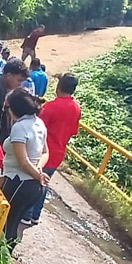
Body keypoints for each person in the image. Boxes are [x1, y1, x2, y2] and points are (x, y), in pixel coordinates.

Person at [23, 73, 82, 225]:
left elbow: (36, 128)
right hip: (59, 152)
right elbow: (74, 131)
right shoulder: (76, 108)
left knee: (34, 181)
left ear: (59, 86)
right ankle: (35, 214)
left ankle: (27, 214)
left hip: (42, 151)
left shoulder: (51, 107)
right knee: (43, 181)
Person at [1, 88, 50, 249]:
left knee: (5, 225)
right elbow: (45, 153)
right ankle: (5, 260)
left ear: (15, 108)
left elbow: (23, 161)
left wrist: (37, 174)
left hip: (18, 182)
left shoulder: (20, 127)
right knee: (14, 224)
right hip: (33, 186)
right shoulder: (39, 123)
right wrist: (38, 171)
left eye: (7, 107)